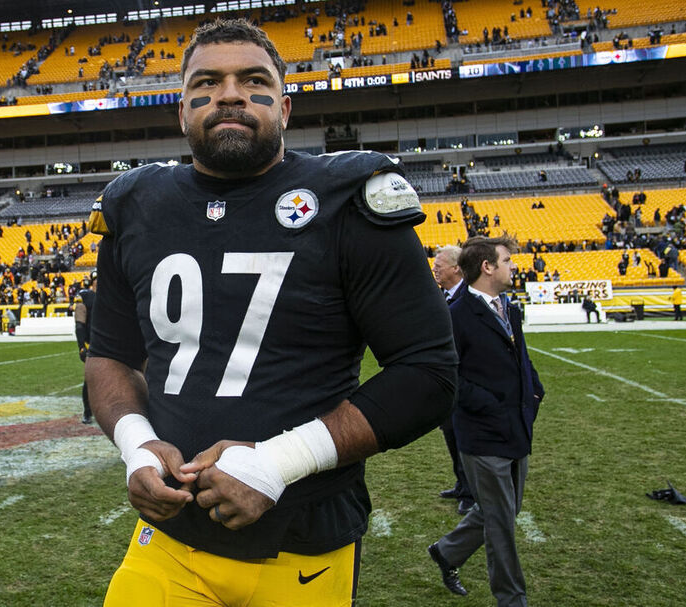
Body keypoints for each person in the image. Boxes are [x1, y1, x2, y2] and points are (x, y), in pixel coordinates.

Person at [85, 19, 457, 607]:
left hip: (302, 543)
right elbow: (110, 355)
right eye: (206, 83)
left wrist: (278, 464)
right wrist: (136, 444)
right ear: (180, 111)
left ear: (284, 108)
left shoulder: (346, 199)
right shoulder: (136, 205)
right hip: (169, 538)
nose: (229, 94)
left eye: (251, 80)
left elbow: (428, 373)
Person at [428, 234, 545, 606]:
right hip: (482, 433)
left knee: (505, 510)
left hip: (516, 427)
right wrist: (490, 405)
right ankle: (512, 599)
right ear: (487, 267)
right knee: (501, 524)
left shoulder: (508, 307)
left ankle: (448, 552)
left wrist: (535, 390)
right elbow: (447, 375)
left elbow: (520, 358)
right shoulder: (456, 313)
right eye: (508, 260)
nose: (514, 266)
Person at [432, 245, 473, 515]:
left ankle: (471, 491)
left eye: (439, 265)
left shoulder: (467, 298)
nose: (435, 269)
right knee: (451, 433)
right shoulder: (445, 296)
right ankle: (461, 483)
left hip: (465, 380)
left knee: (464, 436)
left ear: (456, 268)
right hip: (448, 381)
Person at [73, 270, 97, 424]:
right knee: (90, 379)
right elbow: (80, 324)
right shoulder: (86, 297)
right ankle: (87, 411)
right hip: (93, 342)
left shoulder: (113, 296)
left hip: (113, 341)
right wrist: (82, 345)